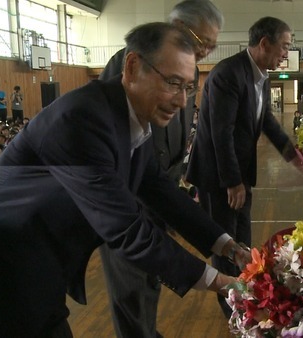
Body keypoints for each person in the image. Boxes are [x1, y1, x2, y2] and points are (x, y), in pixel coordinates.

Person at [0, 22, 248, 337]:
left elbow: (160, 191)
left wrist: (230, 248)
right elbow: (127, 229)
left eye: (188, 87)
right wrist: (221, 282)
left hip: (37, 261)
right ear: (133, 67)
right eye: (173, 83)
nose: (182, 101)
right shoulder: (81, 118)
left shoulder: (129, 116)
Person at [97, 2, 223, 337]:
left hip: (157, 197)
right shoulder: (135, 61)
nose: (206, 50)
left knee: (148, 287)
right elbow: (129, 156)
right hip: (126, 204)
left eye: (212, 45)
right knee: (133, 293)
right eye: (203, 40)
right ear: (178, 24)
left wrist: (217, 240)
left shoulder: (185, 70)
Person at [186, 16, 303, 317]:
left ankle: (246, 297)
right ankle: (234, 312)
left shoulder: (260, 76)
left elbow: (264, 119)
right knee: (224, 243)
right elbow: (220, 132)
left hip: (239, 175)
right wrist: (232, 182)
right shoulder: (228, 73)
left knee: (243, 243)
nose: (286, 53)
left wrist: (290, 152)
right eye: (284, 46)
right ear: (264, 43)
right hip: (219, 178)